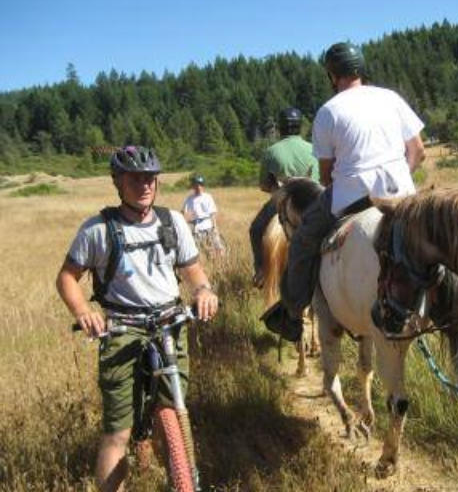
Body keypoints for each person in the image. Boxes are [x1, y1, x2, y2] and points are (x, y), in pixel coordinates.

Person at [56, 146, 219, 492]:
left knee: (172, 411)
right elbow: (67, 277)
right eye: (135, 179)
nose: (144, 185)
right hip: (121, 329)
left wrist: (203, 290)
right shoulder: (98, 229)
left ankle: (176, 472)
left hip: (169, 323)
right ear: (118, 182)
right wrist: (84, 312)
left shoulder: (172, 221)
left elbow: (192, 269)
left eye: (150, 178)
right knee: (118, 431)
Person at [264, 41, 426, 341]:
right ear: (360, 69)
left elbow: (326, 175)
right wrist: (400, 178)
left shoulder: (328, 111)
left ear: (332, 75)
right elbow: (417, 150)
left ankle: (292, 315)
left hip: (352, 198)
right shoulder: (390, 97)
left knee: (301, 242)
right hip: (403, 194)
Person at [249, 107, 319, 286]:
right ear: (299, 126)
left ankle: (261, 272)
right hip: (312, 202)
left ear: (281, 127)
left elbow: (264, 185)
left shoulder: (271, 151)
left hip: (281, 199)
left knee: (256, 230)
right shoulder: (313, 149)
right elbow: (322, 181)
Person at [182, 174, 224, 255]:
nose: (198, 187)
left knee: (217, 249)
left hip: (208, 227)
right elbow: (183, 212)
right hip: (196, 229)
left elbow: (212, 213)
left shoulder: (208, 197)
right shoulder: (189, 199)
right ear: (193, 186)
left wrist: (215, 228)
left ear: (203, 186)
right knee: (198, 252)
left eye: (200, 185)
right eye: (196, 185)